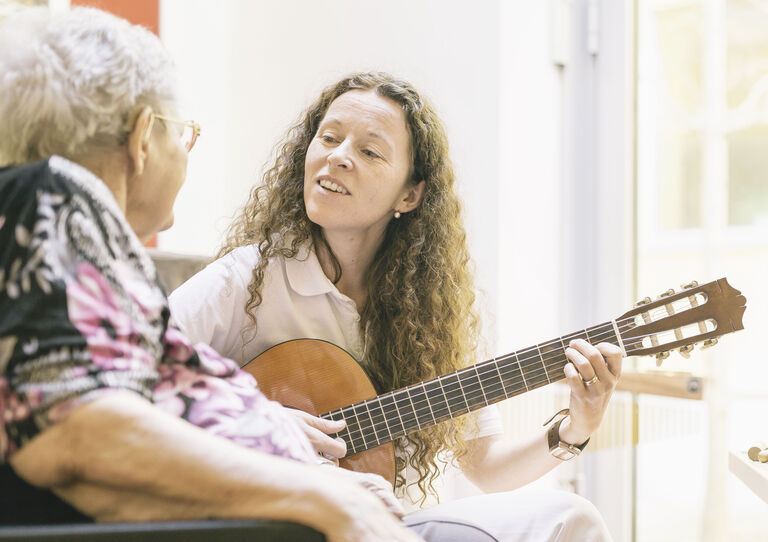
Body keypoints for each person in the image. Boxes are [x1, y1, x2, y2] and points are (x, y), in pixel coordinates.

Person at [0, 8, 425, 542]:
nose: (186, 155)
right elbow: (77, 433)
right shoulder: (51, 197)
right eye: (186, 134)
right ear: (143, 138)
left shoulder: (80, 239)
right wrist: (323, 497)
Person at [168, 71, 624, 540]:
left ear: (409, 194)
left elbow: (487, 468)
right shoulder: (247, 279)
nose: (338, 157)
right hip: (263, 519)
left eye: (369, 151)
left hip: (386, 523)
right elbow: (122, 381)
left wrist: (575, 428)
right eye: (329, 138)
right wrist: (252, 419)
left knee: (572, 517)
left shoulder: (436, 314)